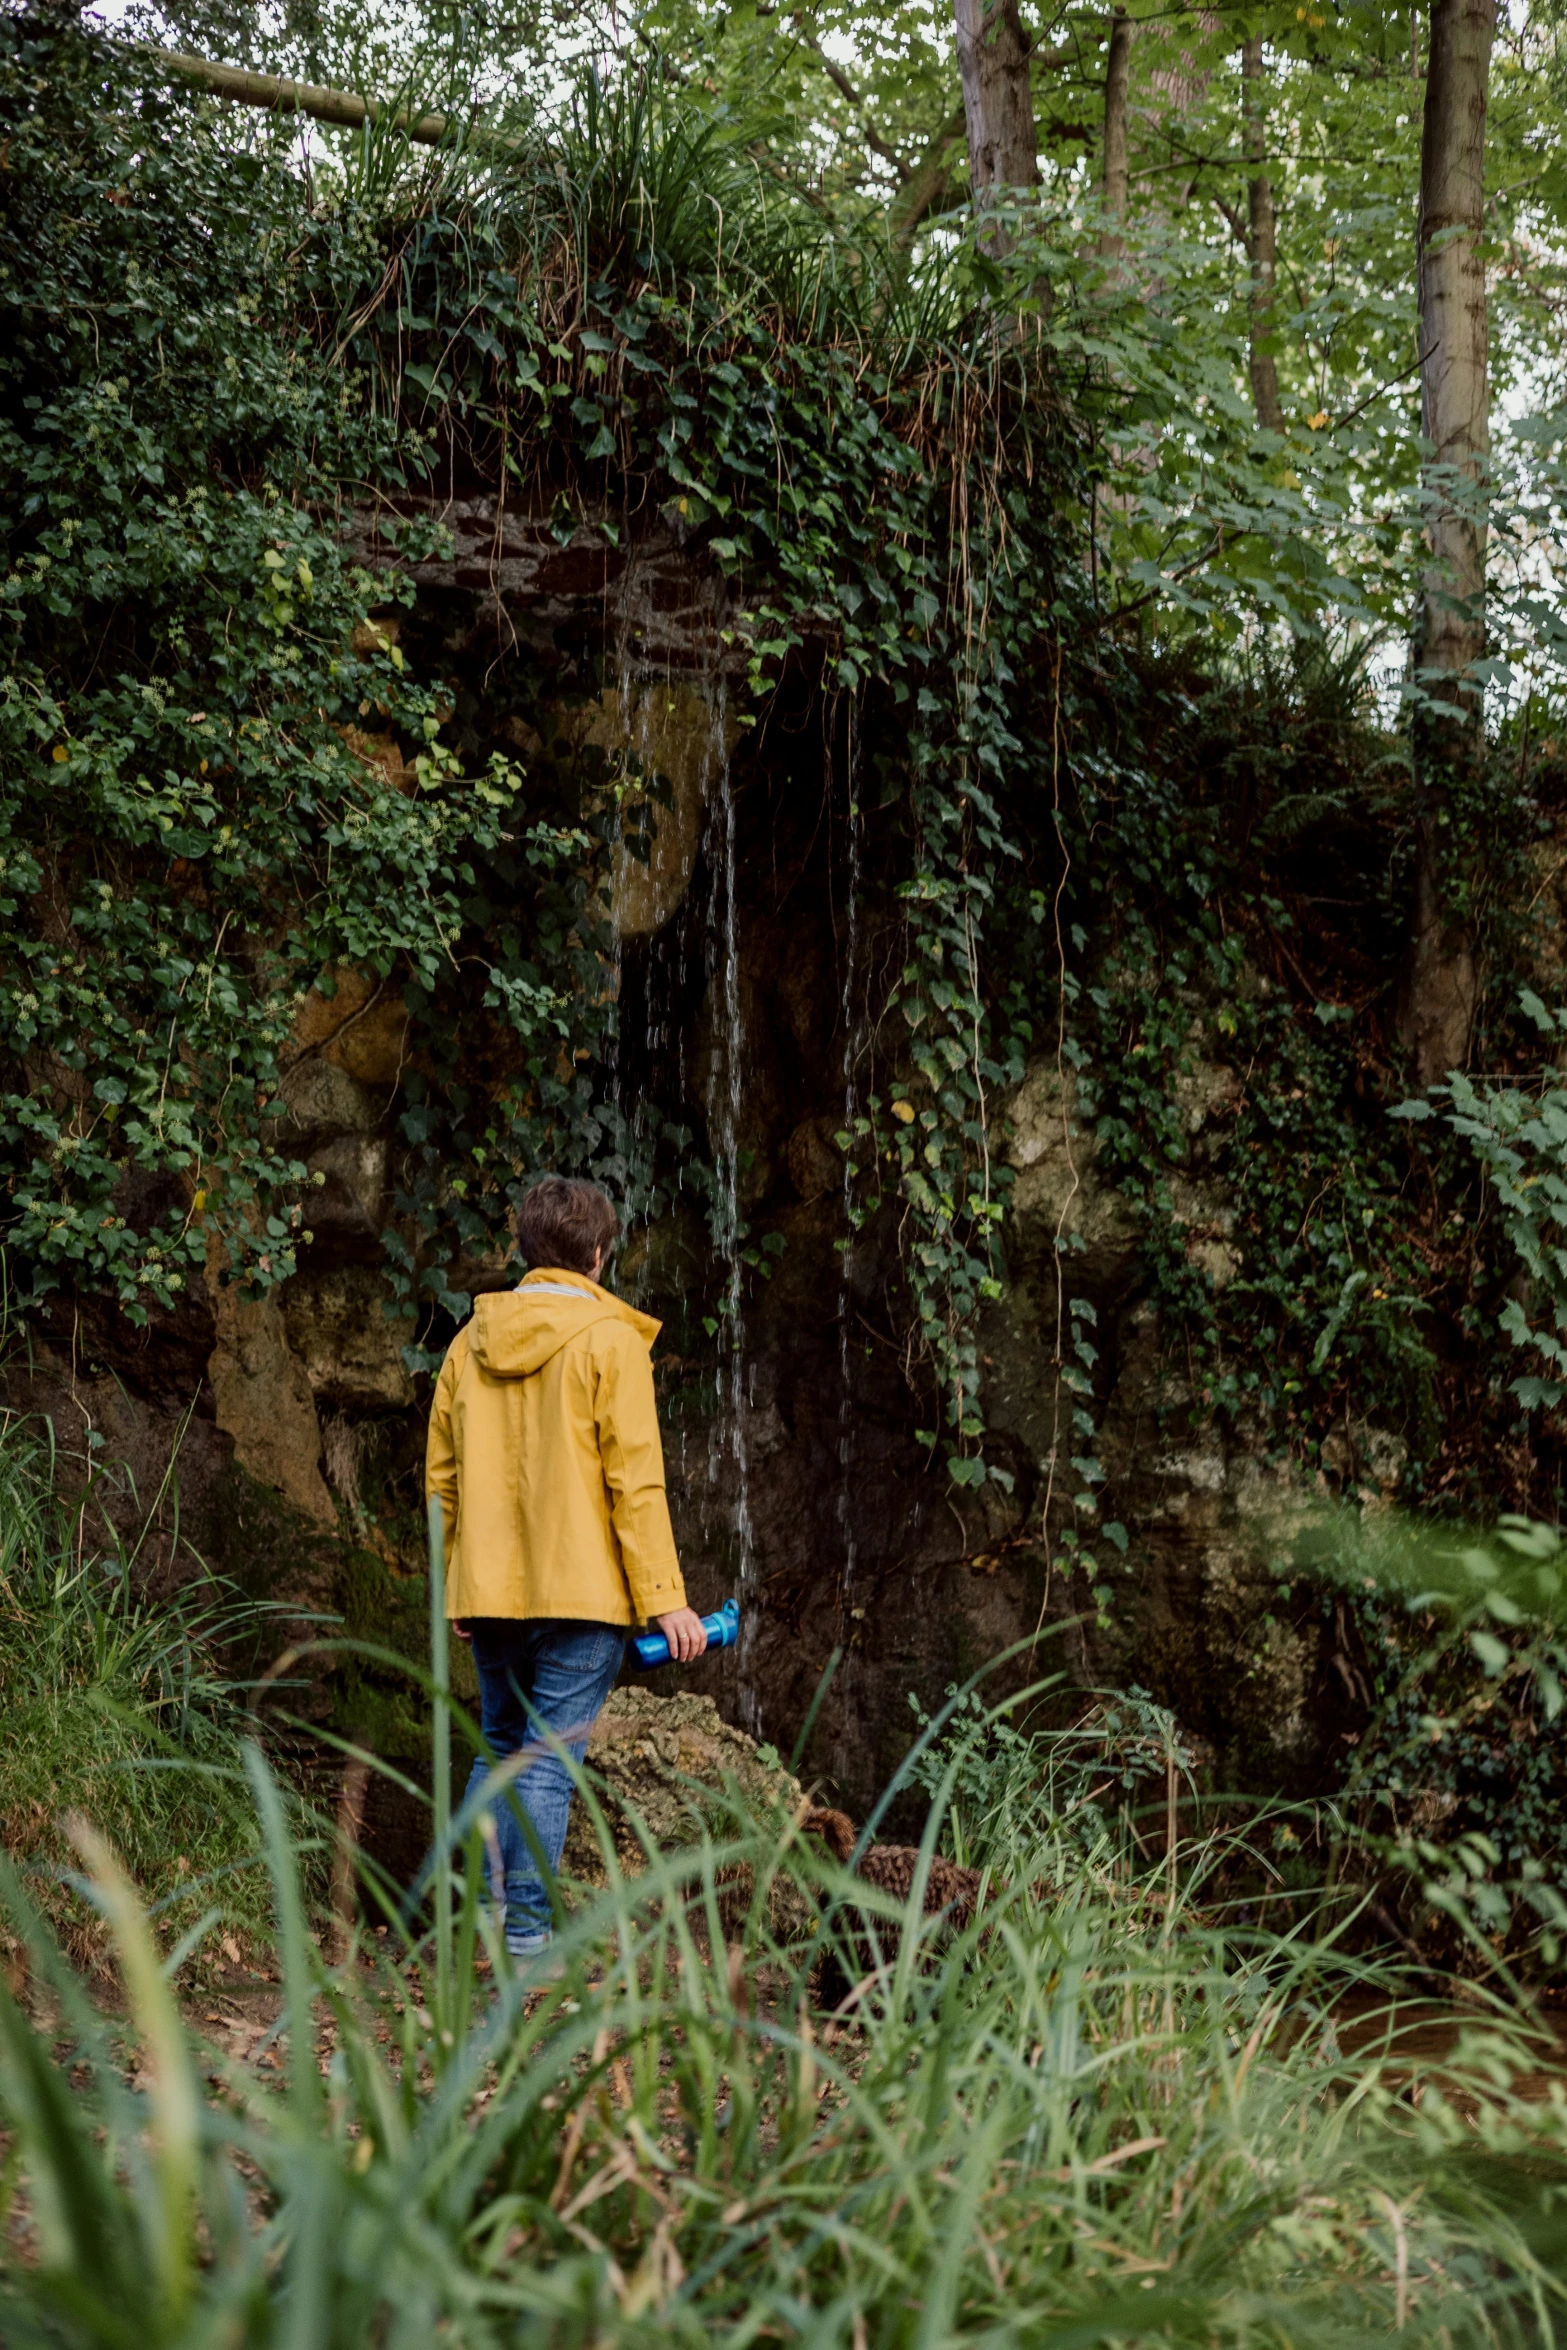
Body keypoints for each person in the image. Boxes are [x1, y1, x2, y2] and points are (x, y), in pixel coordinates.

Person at [424, 1173, 707, 1963]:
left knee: (501, 1745)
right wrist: (668, 1604)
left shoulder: (465, 1343)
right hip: (581, 1597)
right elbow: (635, 1482)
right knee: (547, 1760)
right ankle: (527, 1941)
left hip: (489, 1592)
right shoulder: (610, 1342)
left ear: (527, 1250)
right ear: (595, 1254)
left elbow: (440, 1480)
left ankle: (477, 1926)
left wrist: (457, 1580)